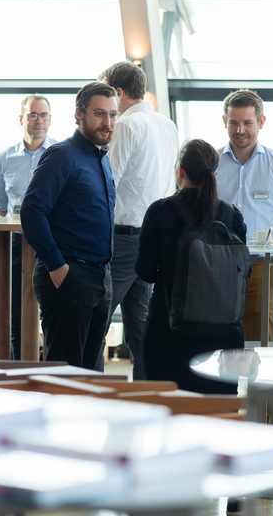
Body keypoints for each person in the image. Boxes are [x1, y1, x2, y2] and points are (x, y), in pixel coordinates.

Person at [135, 139, 247, 392]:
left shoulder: (159, 212)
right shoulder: (232, 216)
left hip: (169, 335)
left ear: (180, 171)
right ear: (215, 175)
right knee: (219, 411)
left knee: (167, 409)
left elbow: (145, 272)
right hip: (225, 340)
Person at [21, 82, 117, 369]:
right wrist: (57, 266)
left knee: (90, 374)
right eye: (99, 114)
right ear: (79, 113)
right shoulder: (61, 155)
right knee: (65, 375)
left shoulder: (101, 158)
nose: (108, 122)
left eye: (113, 114)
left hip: (100, 277)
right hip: (69, 276)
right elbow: (32, 210)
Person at [97, 61, 179, 380]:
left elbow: (108, 183)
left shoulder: (127, 125)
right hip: (152, 236)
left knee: (96, 322)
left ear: (118, 92)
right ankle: (147, 396)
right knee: (142, 330)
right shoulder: (167, 124)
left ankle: (89, 394)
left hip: (122, 239)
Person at [216, 89, 273, 342]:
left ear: (261, 122)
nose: (240, 130)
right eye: (233, 122)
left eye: (247, 122)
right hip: (216, 265)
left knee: (259, 346)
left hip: (260, 266)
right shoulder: (211, 162)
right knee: (218, 342)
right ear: (224, 121)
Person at [0, 93, 56, 360]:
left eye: (44, 115)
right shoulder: (5, 158)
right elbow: (1, 206)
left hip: (53, 245)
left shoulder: (61, 155)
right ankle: (17, 372)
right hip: (16, 245)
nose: (39, 121)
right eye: (33, 115)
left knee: (53, 314)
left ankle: (49, 373)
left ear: (50, 119)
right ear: (21, 119)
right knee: (16, 316)